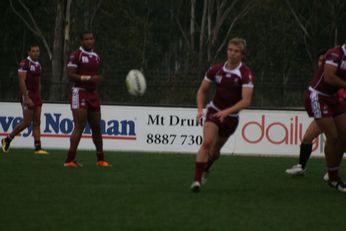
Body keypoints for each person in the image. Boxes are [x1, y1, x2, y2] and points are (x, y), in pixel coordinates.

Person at [190, 37, 254, 192]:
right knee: (207, 142)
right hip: (214, 111)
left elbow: (246, 101)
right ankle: (197, 181)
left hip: (231, 118)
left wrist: (227, 112)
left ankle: (206, 169)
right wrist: (200, 110)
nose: (232, 54)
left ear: (242, 54)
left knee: (214, 152)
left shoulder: (245, 74)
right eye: (230, 50)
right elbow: (202, 90)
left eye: (236, 51)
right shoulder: (216, 69)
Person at [304, 42, 346, 192]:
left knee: (344, 136)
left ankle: (332, 174)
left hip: (333, 98)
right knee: (333, 137)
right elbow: (329, 78)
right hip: (317, 97)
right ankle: (333, 178)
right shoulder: (335, 54)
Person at [64, 31, 110, 167]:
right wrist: (89, 78)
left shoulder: (96, 57)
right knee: (80, 125)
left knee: (96, 127)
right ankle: (69, 160)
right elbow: (70, 75)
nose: (89, 41)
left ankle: (100, 159)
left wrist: (97, 80)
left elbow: (96, 74)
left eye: (91, 39)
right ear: (81, 41)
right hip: (79, 92)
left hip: (93, 94)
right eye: (86, 39)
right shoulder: (76, 55)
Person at [1, 44, 48, 155]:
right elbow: (21, 81)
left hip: (36, 96)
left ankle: (38, 148)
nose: (36, 53)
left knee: (37, 122)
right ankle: (7, 139)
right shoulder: (24, 63)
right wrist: (26, 97)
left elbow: (39, 82)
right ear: (29, 52)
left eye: (37, 51)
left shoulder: (38, 65)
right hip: (28, 94)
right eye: (33, 51)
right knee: (27, 122)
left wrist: (39, 96)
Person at [286, 52, 325, 176]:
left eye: (324, 60)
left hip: (336, 114)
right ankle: (301, 167)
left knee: (337, 143)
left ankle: (333, 172)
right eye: (320, 60)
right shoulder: (319, 77)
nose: (322, 63)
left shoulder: (335, 76)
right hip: (323, 114)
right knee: (307, 138)